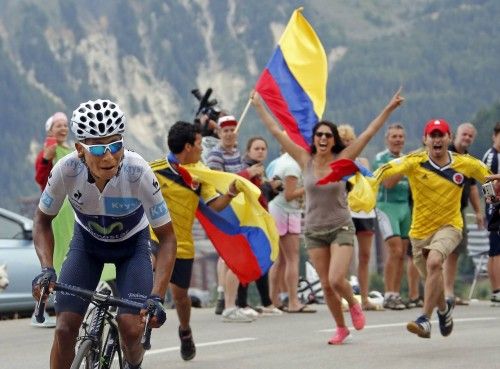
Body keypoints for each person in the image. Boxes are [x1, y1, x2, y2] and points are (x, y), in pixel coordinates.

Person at [32, 99, 177, 369]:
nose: (109, 156)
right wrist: (46, 269)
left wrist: (156, 296)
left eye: (115, 145)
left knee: (131, 329)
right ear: (80, 149)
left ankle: (132, 365)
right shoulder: (65, 169)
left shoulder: (138, 172)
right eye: (98, 148)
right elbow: (42, 221)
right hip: (87, 245)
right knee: (64, 330)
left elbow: (167, 238)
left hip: (132, 248)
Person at [252, 88, 404, 344]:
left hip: (340, 227)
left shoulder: (343, 158)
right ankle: (341, 328)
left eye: (327, 135)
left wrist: (389, 108)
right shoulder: (305, 159)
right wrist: (258, 105)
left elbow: (368, 133)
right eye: (319, 135)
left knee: (336, 279)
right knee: (325, 284)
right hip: (313, 230)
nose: (323, 138)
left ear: (333, 140)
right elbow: (277, 132)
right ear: (314, 139)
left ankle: (353, 302)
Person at [374, 119, 492, 339]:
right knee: (432, 277)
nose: (437, 139)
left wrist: (493, 199)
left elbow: (487, 178)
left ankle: (425, 319)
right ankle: (444, 310)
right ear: (425, 140)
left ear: (449, 138)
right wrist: (369, 181)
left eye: (441, 135)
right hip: (419, 232)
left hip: (450, 226)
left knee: (435, 261)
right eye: (433, 135)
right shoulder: (414, 160)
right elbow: (385, 174)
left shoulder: (465, 163)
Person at [150, 121, 244, 360]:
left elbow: (215, 205)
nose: (203, 148)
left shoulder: (200, 175)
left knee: (180, 297)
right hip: (153, 239)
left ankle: (185, 331)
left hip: (182, 245)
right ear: (188, 146)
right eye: (200, 144)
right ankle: (143, 329)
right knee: (148, 282)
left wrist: (231, 194)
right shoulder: (154, 169)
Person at [206, 115, 264, 321]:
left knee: (236, 256)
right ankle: (229, 303)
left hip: (239, 210)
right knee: (233, 255)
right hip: (224, 209)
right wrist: (248, 173)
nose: (229, 133)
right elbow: (218, 182)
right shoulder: (215, 155)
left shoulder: (238, 153)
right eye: (226, 130)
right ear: (219, 133)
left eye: (232, 130)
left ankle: (231, 301)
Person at [32, 112, 73, 328]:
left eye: (65, 125)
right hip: (55, 217)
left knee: (67, 259)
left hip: (69, 215)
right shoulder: (49, 150)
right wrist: (47, 158)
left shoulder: (69, 149)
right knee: (54, 261)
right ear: (50, 129)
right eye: (58, 125)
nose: (63, 128)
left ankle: (63, 309)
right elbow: (40, 178)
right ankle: (40, 310)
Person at [235, 137, 284, 315]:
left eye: (263, 148)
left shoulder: (260, 169)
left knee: (260, 259)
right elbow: (235, 185)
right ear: (248, 151)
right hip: (246, 221)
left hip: (258, 221)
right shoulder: (245, 167)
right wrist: (249, 174)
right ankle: (241, 303)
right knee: (247, 261)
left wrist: (273, 188)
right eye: (256, 148)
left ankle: (266, 302)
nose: (260, 151)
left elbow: (260, 197)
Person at [372, 123, 415, 310]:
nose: (398, 140)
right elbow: (388, 183)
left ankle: (396, 294)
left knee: (403, 254)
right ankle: (388, 293)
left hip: (405, 207)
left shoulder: (406, 159)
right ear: (387, 139)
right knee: (395, 251)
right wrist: (404, 167)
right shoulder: (381, 158)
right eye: (394, 136)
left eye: (401, 136)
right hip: (386, 207)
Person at [337, 124, 379, 311]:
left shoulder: (362, 161)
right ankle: (343, 298)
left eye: (349, 140)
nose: (347, 144)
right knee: (345, 258)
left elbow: (370, 179)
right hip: (345, 212)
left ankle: (364, 297)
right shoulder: (336, 162)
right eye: (343, 141)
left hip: (365, 212)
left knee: (365, 256)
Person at [444, 122, 483, 305]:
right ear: (454, 136)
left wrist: (479, 211)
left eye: (470, 136)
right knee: (438, 251)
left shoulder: (470, 160)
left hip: (459, 211)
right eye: (464, 134)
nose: (466, 138)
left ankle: (449, 291)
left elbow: (476, 187)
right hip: (439, 210)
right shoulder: (444, 154)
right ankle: (439, 292)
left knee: (455, 252)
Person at [267, 150, 311, 313]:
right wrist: (309, 187)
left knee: (280, 259)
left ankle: (273, 299)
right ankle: (293, 301)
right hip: (285, 211)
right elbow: (289, 195)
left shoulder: (279, 161)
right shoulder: (292, 165)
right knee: (292, 258)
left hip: (278, 210)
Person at [481, 122, 500, 303]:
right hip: (495, 209)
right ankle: (496, 289)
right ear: (495, 136)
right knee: (496, 250)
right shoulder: (491, 156)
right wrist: (493, 202)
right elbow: (485, 180)